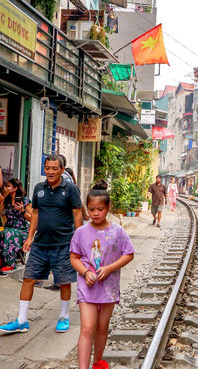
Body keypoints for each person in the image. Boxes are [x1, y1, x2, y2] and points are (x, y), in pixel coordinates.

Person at [0, 154, 83, 335]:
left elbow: (77, 215)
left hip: (64, 243)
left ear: (62, 169)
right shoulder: (39, 188)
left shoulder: (71, 190)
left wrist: (79, 241)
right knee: (29, 278)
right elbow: (35, 214)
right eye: (47, 168)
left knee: (63, 281)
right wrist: (30, 238)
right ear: (44, 168)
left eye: (55, 168)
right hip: (40, 244)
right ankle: (22, 320)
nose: (50, 172)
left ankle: (63, 316)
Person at [70, 181, 134, 369]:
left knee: (102, 327)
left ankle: (98, 363)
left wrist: (109, 268)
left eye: (100, 209)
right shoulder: (81, 232)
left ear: (108, 208)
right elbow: (74, 258)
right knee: (87, 327)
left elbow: (129, 254)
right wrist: (85, 272)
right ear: (86, 209)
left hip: (108, 286)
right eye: (91, 209)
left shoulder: (118, 231)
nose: (95, 213)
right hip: (87, 285)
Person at [0, 179, 33, 274]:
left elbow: (32, 219)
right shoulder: (7, 200)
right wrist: (5, 196)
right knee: (3, 231)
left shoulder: (24, 200)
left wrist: (22, 211)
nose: (6, 188)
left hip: (22, 230)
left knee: (7, 233)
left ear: (15, 188)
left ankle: (10, 263)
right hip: (9, 227)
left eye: (8, 186)